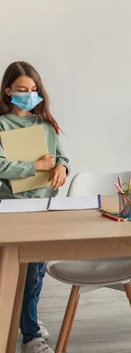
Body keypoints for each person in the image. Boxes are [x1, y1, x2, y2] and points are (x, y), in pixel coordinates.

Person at [0, 61, 70, 353]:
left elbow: (61, 157)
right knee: (17, 272)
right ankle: (28, 333)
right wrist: (34, 166)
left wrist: (61, 169)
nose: (29, 95)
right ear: (8, 91)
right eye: (21, 90)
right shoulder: (1, 125)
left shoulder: (45, 124)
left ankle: (29, 324)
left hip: (43, 205)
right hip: (12, 208)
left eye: (33, 90)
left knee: (37, 270)